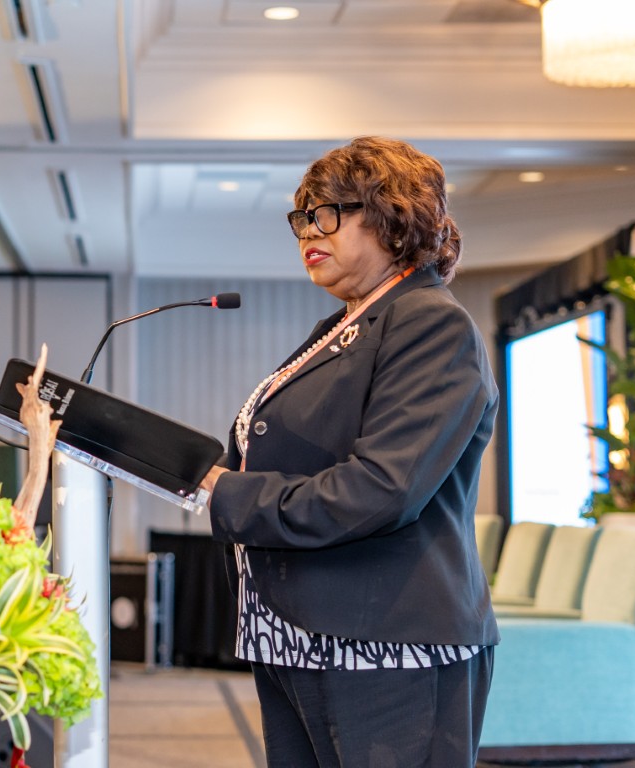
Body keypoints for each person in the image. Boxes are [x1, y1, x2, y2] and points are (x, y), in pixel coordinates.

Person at [197, 136, 500, 767]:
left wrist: (228, 492)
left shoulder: (429, 322)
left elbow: (381, 489)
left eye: (329, 212)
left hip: (386, 643)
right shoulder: (345, 325)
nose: (309, 229)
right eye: (303, 216)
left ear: (393, 216)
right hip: (298, 633)